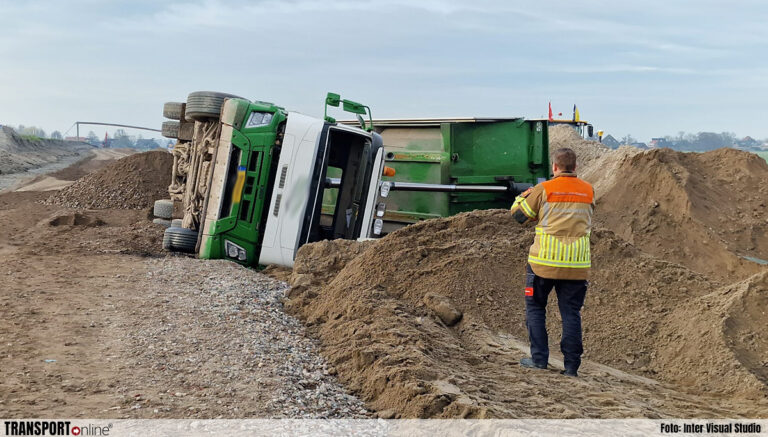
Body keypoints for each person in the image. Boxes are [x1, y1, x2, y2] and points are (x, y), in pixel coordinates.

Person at [509, 148, 594, 377]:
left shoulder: (544, 189)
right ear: (575, 167)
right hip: (576, 265)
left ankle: (538, 360)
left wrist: (522, 197)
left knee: (536, 308)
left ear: (554, 167)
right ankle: (571, 367)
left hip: (543, 263)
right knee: (571, 314)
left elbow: (519, 216)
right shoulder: (589, 191)